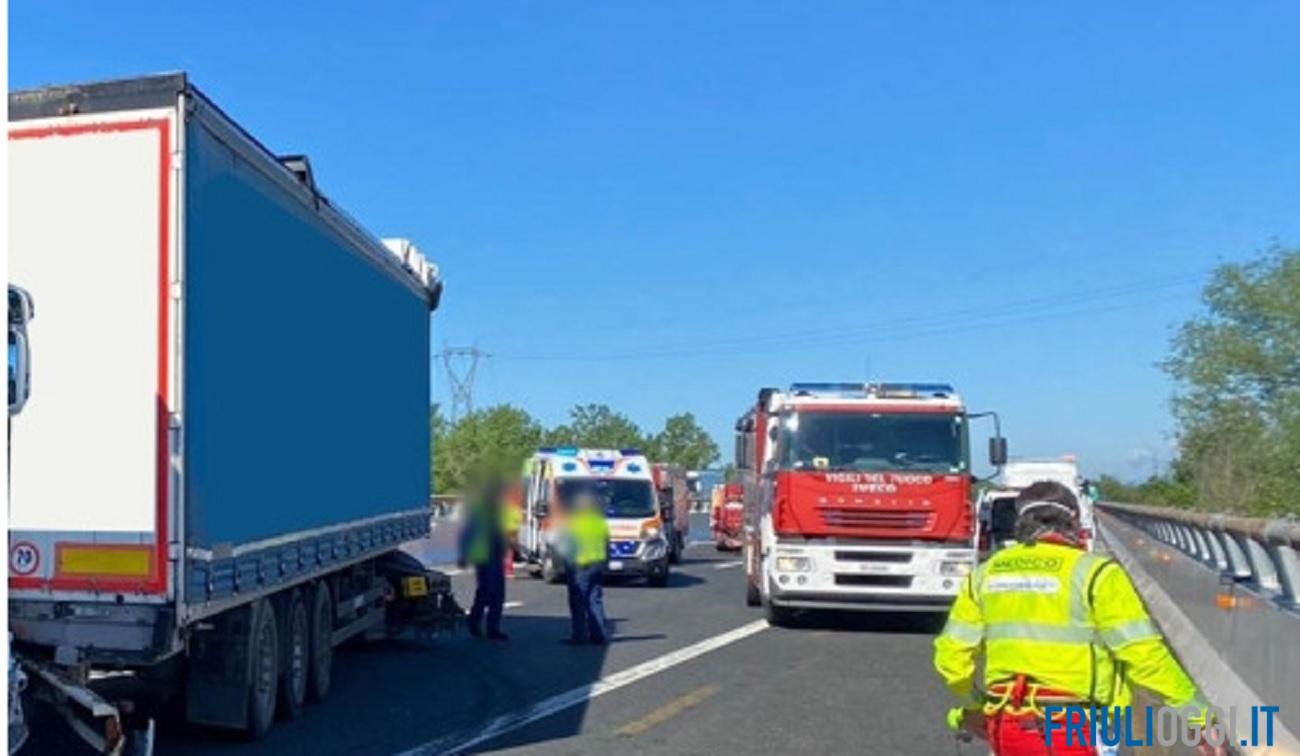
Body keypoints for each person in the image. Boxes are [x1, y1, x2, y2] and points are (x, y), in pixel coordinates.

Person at [934, 481, 1217, 755]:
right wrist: (1198, 715)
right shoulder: (1097, 575)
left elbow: (951, 658)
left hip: (1007, 725)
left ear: (1020, 522)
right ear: (1074, 523)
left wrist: (974, 706)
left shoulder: (985, 574)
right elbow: (1144, 656)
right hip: (1076, 728)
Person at [457, 480, 510, 641]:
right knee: (493, 592)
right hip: (488, 555)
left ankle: (477, 622)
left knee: (488, 591)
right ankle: (488, 627)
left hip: (489, 554)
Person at [562, 492, 610, 646]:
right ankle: (598, 636)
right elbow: (607, 544)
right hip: (596, 565)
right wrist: (605, 563)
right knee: (595, 599)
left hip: (580, 566)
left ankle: (579, 636)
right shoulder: (599, 522)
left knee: (578, 601)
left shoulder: (575, 522)